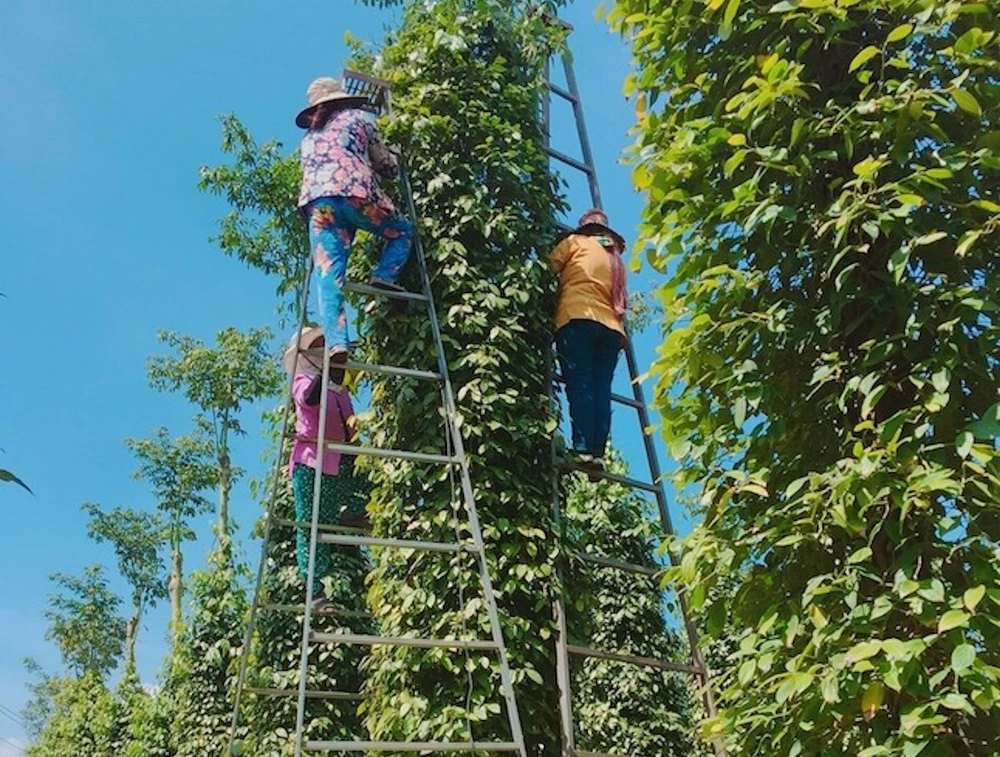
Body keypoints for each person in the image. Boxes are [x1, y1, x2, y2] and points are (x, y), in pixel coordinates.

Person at [296, 76, 414, 384]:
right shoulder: (358, 118)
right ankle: (385, 276)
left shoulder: (308, 139)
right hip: (354, 195)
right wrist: (396, 159)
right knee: (401, 230)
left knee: (328, 276)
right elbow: (387, 167)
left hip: (318, 206)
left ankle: (337, 344)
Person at [284, 325, 371, 614]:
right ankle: (314, 590)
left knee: (363, 486)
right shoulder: (302, 380)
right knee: (311, 525)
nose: (323, 350)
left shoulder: (340, 388)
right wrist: (328, 369)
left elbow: (350, 422)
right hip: (311, 461)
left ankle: (354, 513)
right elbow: (309, 398)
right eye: (318, 347)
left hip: (340, 458)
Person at [549, 208, 628, 476]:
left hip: (578, 317)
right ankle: (596, 453)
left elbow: (548, 267)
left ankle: (583, 449)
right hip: (612, 330)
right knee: (600, 389)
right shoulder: (615, 258)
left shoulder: (575, 243)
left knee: (580, 383)